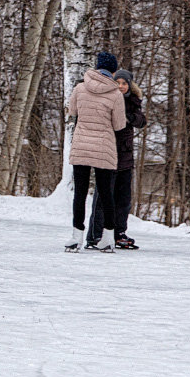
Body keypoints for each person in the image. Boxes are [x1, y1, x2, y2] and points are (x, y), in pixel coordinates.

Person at [65, 52, 127, 253]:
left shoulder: (80, 88)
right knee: (106, 194)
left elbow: (72, 111)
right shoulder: (116, 94)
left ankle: (76, 237)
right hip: (104, 147)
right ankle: (108, 238)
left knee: (80, 194)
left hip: (82, 144)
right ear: (113, 71)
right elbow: (119, 125)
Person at [87, 68, 146, 250]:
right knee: (103, 198)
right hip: (107, 154)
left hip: (125, 156)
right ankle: (95, 235)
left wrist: (129, 117)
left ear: (129, 85)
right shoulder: (107, 99)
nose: (120, 86)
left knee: (123, 199)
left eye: (124, 83)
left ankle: (119, 232)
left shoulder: (133, 101)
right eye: (117, 83)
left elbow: (141, 120)